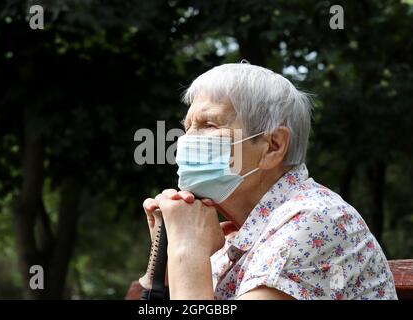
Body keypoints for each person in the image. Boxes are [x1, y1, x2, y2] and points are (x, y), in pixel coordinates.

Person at [140, 63, 397, 300]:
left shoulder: (317, 219)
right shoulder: (232, 238)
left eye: (208, 124)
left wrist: (187, 250)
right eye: (188, 128)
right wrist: (164, 261)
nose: (187, 140)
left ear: (273, 147)